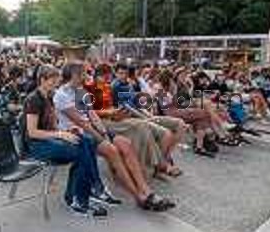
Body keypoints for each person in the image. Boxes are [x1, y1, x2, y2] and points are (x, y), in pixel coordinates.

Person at [54, 62, 175, 211]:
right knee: (113, 151)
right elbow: (82, 123)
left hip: (92, 130)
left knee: (125, 144)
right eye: (83, 73)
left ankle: (147, 190)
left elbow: (92, 115)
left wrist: (104, 132)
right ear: (74, 75)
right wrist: (102, 138)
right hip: (78, 135)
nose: (86, 76)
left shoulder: (79, 90)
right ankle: (139, 196)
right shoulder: (61, 95)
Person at [23, 65, 110, 217]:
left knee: (87, 141)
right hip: (36, 146)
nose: (56, 84)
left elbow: (52, 124)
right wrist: (60, 134)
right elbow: (32, 132)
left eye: (56, 80)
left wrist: (65, 131)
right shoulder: (33, 99)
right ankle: (81, 196)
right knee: (81, 150)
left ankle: (82, 193)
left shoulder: (48, 97)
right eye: (53, 80)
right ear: (42, 80)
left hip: (49, 140)